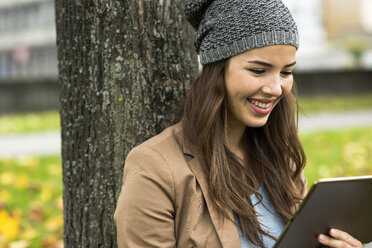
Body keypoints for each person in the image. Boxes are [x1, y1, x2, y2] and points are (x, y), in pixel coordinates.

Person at [114, 0, 363, 247]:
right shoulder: (154, 167)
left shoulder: (281, 158)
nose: (276, 88)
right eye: (258, 70)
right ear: (217, 69)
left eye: (286, 72)